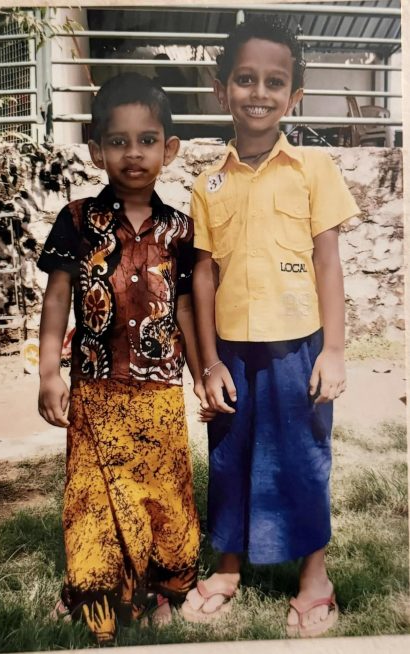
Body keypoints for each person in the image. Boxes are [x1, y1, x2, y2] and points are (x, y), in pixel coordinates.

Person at [182, 16, 360, 638]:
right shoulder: (208, 183)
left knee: (304, 458)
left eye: (274, 82)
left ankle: (315, 577)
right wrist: (208, 363)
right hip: (231, 351)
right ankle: (228, 568)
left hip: (298, 348)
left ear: (294, 95)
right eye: (245, 78)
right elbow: (202, 275)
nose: (259, 92)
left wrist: (333, 351)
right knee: (229, 458)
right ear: (220, 89)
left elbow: (328, 263)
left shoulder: (314, 167)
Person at [37, 72, 210, 644]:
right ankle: (94, 589)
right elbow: (57, 297)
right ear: (96, 151)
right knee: (94, 494)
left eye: (147, 140)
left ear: (170, 149)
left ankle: (163, 587)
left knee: (162, 494)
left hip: (159, 389)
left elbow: (185, 308)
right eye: (118, 141)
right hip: (95, 387)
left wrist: (201, 375)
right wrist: (48, 372)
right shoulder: (77, 220)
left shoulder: (180, 229)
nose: (133, 153)